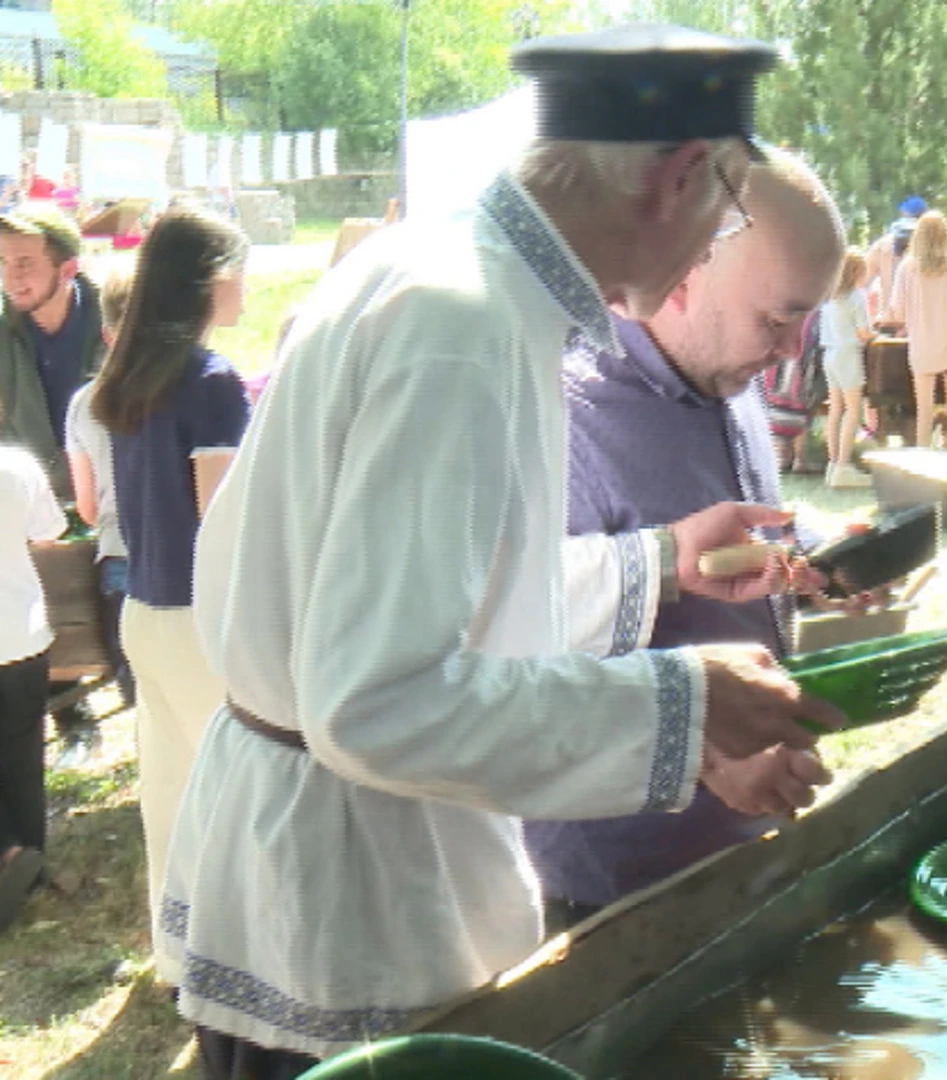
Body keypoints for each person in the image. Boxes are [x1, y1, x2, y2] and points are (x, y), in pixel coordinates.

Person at [154, 25, 843, 1075]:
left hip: (350, 857)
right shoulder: (460, 326)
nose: (715, 241)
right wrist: (681, 705)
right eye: (728, 213)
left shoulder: (461, 277)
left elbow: (452, 597)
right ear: (680, 175)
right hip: (351, 900)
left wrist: (657, 563)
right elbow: (374, 700)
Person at [535, 150, 845, 931]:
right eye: (777, 319)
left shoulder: (724, 375)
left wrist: (819, 558)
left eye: (805, 320)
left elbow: (728, 547)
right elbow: (517, 668)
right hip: (617, 882)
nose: (789, 351)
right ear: (688, 270)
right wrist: (705, 763)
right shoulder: (559, 416)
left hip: (745, 846)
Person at [92, 207, 252, 920]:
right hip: (199, 616)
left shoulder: (132, 370)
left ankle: (178, 949)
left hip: (144, 609)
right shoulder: (212, 379)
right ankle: (234, 953)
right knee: (232, 799)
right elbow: (223, 521)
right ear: (214, 279)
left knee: (169, 792)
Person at [0, 205, 106, 748]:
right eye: (3, 263)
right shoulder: (4, 331)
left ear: (66, 269)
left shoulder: (113, 319)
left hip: (108, 496)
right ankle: (66, 714)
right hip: (36, 497)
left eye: (24, 263)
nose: (10, 277)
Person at [64, 270, 136, 718]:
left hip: (118, 558)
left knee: (143, 701)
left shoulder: (84, 404)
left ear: (107, 336)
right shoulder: (200, 388)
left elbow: (88, 508)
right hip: (187, 561)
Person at [0, 444, 66, 931]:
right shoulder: (18, 465)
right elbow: (49, 535)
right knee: (24, 754)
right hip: (21, 635)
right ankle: (30, 857)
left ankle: (8, 852)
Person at [890, 210, 947, 453]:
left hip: (922, 348)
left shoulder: (907, 268)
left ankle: (923, 469)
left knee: (924, 414)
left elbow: (896, 312)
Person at [819, 248, 874, 488]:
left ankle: (833, 463)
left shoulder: (829, 298)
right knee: (854, 410)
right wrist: (871, 334)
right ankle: (843, 464)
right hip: (848, 354)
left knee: (835, 410)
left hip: (829, 354)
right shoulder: (855, 297)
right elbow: (864, 332)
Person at [866, 195, 924, 324]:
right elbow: (862, 283)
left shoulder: (925, 249)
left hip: (910, 321)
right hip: (895, 320)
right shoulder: (881, 248)